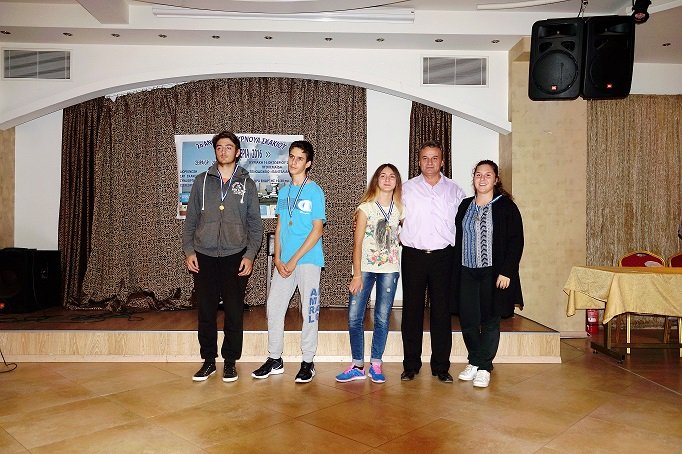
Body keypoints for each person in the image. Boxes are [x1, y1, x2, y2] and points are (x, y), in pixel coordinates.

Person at [183, 131, 263, 382]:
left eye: (229, 147)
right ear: (215, 151)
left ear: (237, 152)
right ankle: (208, 361)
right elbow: (190, 220)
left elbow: (255, 225)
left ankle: (230, 362)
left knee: (234, 312)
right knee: (206, 312)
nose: (223, 151)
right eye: (219, 147)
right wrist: (189, 250)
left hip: (235, 256)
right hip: (204, 255)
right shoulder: (201, 181)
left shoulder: (248, 184)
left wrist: (249, 255)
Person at [252, 140, 326, 383]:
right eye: (291, 157)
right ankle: (275, 359)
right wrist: (277, 258)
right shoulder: (283, 192)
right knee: (274, 307)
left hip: (308, 260)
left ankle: (308, 362)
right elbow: (280, 226)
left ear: (308, 163)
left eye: (299, 158)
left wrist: (294, 259)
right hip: (284, 262)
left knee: (309, 311)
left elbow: (317, 230)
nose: (293, 162)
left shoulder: (315, 191)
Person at [453, 160, 524, 388]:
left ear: (496, 179)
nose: (482, 179)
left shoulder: (506, 207)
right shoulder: (464, 205)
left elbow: (516, 241)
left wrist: (507, 271)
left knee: (490, 320)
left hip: (493, 273)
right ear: (473, 178)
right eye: (478, 175)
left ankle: (484, 367)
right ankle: (474, 361)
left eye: (487, 175)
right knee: (468, 320)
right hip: (466, 271)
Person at [400, 141, 466, 383]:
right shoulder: (406, 189)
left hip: (443, 257)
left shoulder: (455, 191)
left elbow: (462, 224)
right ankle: (411, 365)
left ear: (442, 161)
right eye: (425, 158)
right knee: (411, 311)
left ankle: (441, 366)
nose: (430, 162)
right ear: (419, 162)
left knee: (441, 312)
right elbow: (393, 218)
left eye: (434, 158)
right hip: (413, 256)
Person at [336, 164, 404, 384]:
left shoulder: (401, 209)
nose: (387, 179)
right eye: (383, 176)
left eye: (391, 176)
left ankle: (376, 363)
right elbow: (356, 244)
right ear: (376, 180)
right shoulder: (365, 208)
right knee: (354, 316)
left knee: (382, 317)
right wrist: (356, 275)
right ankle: (357, 365)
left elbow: (409, 234)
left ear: (397, 182)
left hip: (389, 269)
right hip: (364, 269)